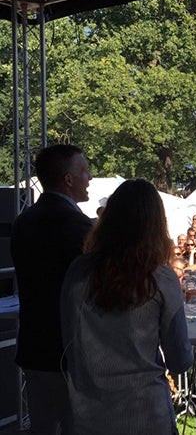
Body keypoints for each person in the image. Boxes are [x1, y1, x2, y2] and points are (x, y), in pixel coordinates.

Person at [59, 179, 193, 434]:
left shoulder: (78, 271)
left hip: (86, 417)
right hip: (146, 415)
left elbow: (69, 341)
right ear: (156, 224)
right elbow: (180, 360)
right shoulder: (160, 277)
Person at [10, 144, 93, 434]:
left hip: (34, 348)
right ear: (68, 179)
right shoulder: (79, 226)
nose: (90, 177)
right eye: (84, 170)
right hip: (72, 354)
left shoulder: (23, 222)